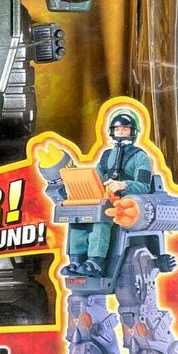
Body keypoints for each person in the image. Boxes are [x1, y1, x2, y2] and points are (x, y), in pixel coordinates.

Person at [62, 111, 153, 277]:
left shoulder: (140, 157)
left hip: (126, 203)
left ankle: (95, 262)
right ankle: (76, 260)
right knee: (77, 220)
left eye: (125, 129)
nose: (120, 132)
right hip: (104, 199)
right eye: (117, 129)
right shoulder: (106, 156)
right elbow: (96, 178)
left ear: (132, 132)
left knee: (101, 220)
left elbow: (144, 186)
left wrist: (124, 185)